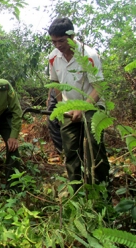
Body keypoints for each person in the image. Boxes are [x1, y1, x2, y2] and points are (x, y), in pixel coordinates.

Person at [47, 17, 110, 193]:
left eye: (61, 41)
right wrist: (61, 109)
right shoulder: (53, 57)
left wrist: (82, 108)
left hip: (92, 107)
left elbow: (98, 88)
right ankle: (76, 192)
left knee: (94, 151)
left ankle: (101, 192)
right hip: (68, 109)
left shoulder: (89, 55)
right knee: (70, 151)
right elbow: (56, 85)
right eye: (54, 41)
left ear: (72, 36)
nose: (58, 45)